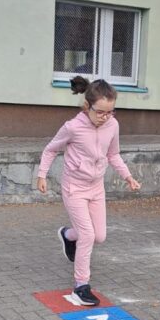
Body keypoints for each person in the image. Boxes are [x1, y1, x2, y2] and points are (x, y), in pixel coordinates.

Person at [36, 76, 141, 307]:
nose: (105, 117)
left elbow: (113, 154)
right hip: (74, 188)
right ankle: (81, 286)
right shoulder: (72, 127)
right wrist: (42, 174)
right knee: (88, 236)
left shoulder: (112, 125)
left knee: (99, 236)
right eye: (100, 112)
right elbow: (51, 149)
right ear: (87, 106)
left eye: (110, 112)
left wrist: (128, 177)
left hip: (96, 188)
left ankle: (67, 235)